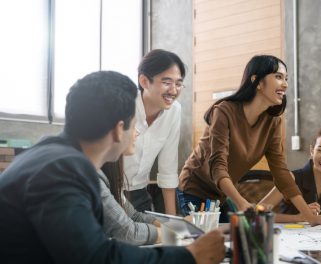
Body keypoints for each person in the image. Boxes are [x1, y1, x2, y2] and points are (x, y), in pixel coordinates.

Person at [0, 71, 225, 264]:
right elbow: (96, 258)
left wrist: (183, 234)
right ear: (119, 129)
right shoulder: (62, 170)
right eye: (135, 125)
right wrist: (189, 256)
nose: (136, 133)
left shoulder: (53, 156)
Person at [177, 55, 321, 226]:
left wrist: (310, 216)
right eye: (278, 77)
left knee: (236, 239)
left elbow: (281, 174)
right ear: (257, 81)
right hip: (194, 188)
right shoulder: (224, 112)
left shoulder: (273, 121)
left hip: (220, 195)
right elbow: (218, 167)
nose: (285, 84)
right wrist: (242, 203)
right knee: (213, 241)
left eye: (286, 79)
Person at [124, 49, 185, 215]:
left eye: (178, 84)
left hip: (139, 193)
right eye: (167, 82)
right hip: (109, 192)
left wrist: (173, 221)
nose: (173, 90)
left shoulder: (174, 111)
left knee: (160, 237)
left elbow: (168, 169)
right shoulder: (124, 105)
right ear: (144, 81)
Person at [100, 154, 162, 245]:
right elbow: (127, 232)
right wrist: (168, 234)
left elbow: (133, 216)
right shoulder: (94, 178)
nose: (136, 138)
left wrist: (171, 227)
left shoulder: (108, 172)